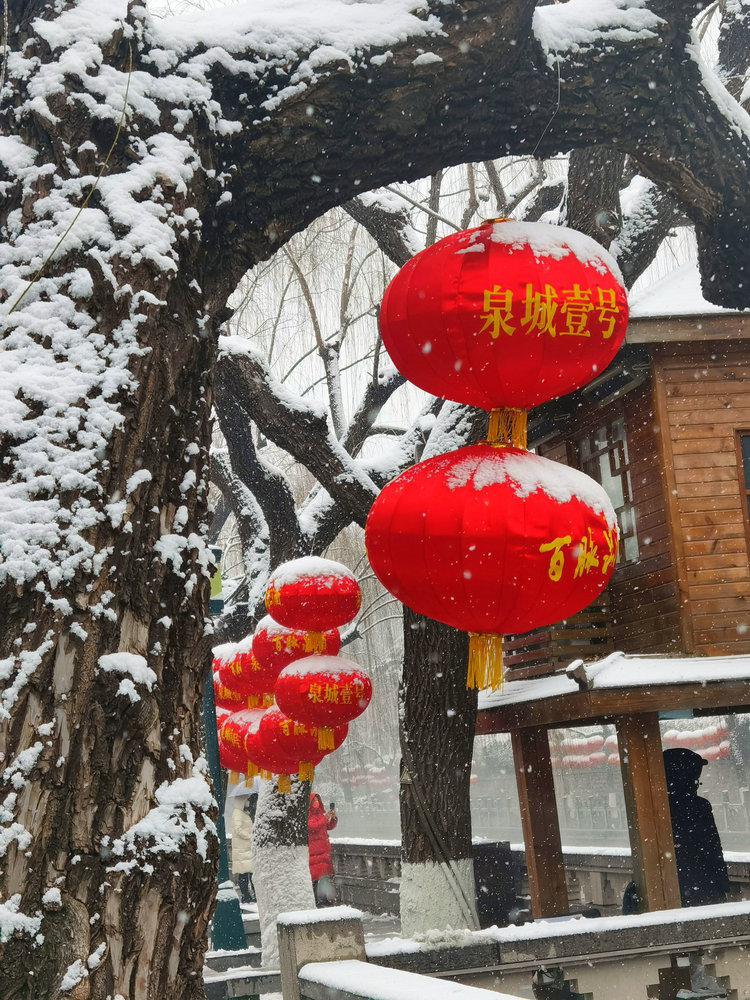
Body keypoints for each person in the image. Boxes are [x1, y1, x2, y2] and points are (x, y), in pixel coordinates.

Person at [663, 747, 729, 908]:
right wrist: (721, 884)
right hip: (703, 887)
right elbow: (712, 849)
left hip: (669, 887)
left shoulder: (658, 807)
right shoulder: (698, 807)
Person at [308, 793, 337, 906]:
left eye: (317, 800)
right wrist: (325, 818)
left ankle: (323, 899)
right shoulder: (308, 815)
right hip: (314, 852)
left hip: (323, 851)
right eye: (313, 801)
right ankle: (317, 900)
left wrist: (333, 819)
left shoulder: (321, 814)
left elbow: (327, 826)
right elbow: (312, 827)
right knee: (315, 879)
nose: (316, 803)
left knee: (323, 877)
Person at [231, 793, 256, 905]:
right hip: (242, 848)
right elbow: (238, 829)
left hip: (245, 848)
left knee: (248, 873)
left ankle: (248, 896)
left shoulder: (243, 813)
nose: (248, 803)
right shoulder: (238, 814)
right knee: (244, 874)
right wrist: (250, 836)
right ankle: (246, 896)